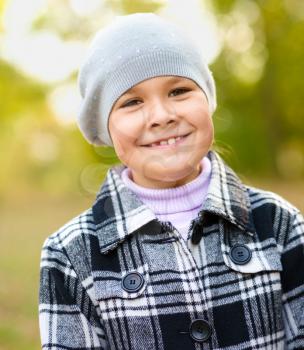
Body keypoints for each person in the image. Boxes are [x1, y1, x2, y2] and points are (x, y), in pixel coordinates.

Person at [39, 13, 304, 350]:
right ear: (106, 127)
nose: (162, 116)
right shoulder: (70, 253)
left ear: (207, 101)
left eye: (179, 91)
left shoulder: (278, 221)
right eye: (132, 102)